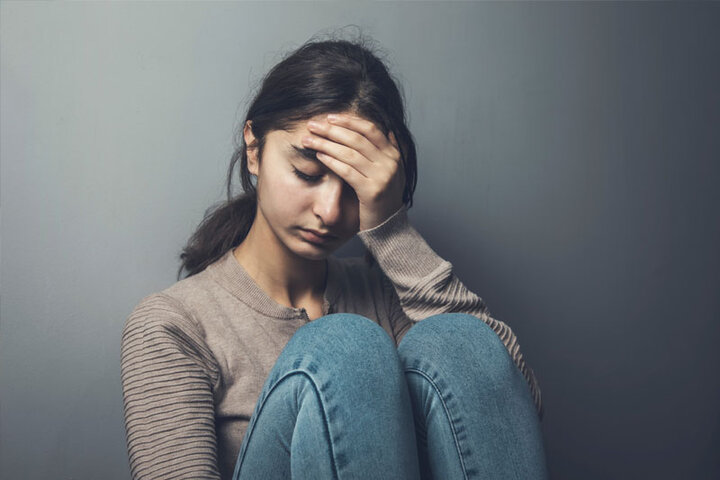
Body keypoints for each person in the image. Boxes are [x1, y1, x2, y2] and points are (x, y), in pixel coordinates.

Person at [120, 33, 548, 480]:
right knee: (346, 345)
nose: (328, 211)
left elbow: (512, 413)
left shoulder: (390, 295)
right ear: (254, 148)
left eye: (353, 187)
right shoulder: (173, 324)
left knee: (457, 339)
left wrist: (391, 228)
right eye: (307, 172)